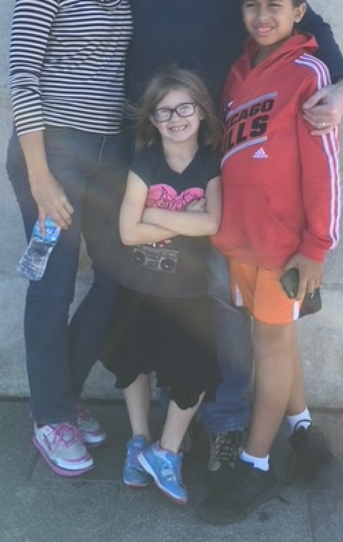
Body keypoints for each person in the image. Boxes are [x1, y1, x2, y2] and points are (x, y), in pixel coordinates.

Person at [3, 0, 343, 479]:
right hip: (129, 145)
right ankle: (69, 409)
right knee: (100, 279)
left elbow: (304, 18)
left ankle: (219, 417)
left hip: (212, 155)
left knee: (212, 288)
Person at [6, 0, 134, 478]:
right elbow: (22, 76)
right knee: (51, 286)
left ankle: (65, 390)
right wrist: (38, 173)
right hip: (50, 150)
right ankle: (49, 417)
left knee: (117, 276)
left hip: (108, 153)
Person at [196, 0, 341, 524]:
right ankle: (302, 430)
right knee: (277, 343)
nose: (262, 15)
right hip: (241, 244)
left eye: (274, 6)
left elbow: (325, 167)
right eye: (252, 5)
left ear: (297, 12)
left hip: (286, 247)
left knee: (269, 347)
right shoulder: (236, 75)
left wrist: (317, 247)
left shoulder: (308, 74)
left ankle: (255, 464)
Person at [101, 66, 222, 505]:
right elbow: (127, 234)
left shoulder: (211, 163)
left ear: (202, 112)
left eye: (184, 107)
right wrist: (182, 223)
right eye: (163, 111)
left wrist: (150, 215)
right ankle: (138, 440)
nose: (175, 118)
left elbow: (213, 221)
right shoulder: (145, 161)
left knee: (196, 368)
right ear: (151, 119)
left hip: (188, 291)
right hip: (139, 283)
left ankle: (166, 451)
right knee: (132, 361)